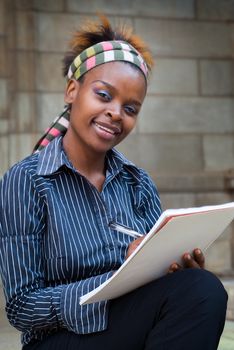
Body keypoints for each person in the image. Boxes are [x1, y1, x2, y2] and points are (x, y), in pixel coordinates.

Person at [0, 15, 227, 350]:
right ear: (72, 90)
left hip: (128, 325)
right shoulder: (27, 181)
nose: (116, 113)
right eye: (104, 95)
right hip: (60, 340)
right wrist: (113, 282)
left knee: (202, 288)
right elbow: (22, 307)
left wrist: (177, 269)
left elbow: (161, 281)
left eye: (130, 108)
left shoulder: (138, 183)